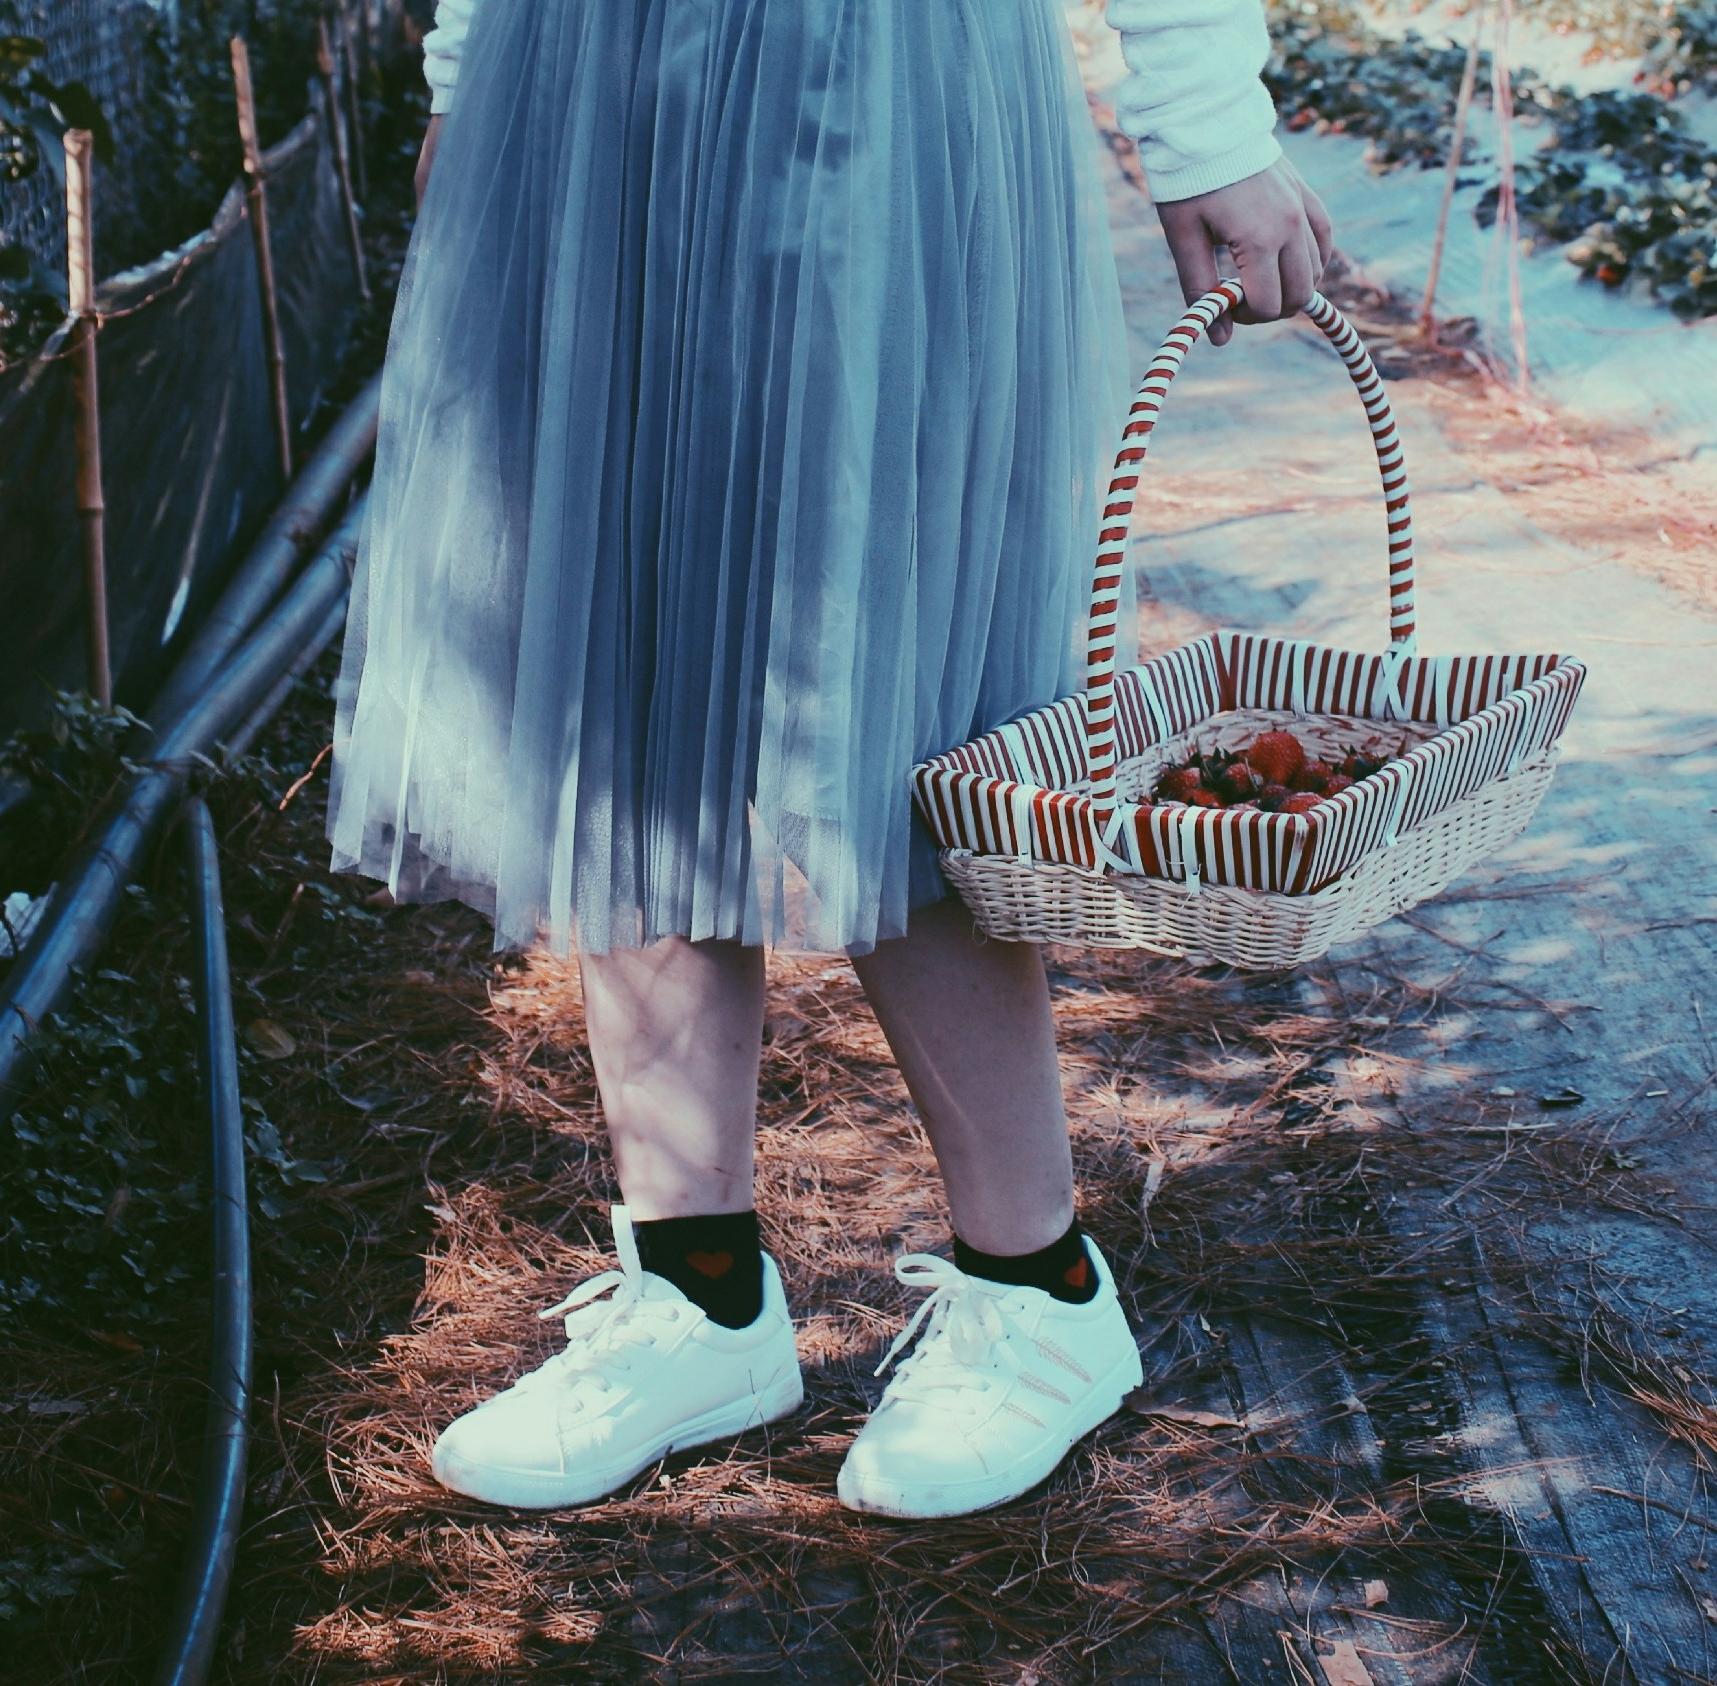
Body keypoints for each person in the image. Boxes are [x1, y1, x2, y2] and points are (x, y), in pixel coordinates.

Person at [329, 0, 1334, 1519]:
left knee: (909, 675)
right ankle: (700, 1295)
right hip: (595, 73)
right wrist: (476, 68)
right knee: (627, 650)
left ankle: (1038, 1291)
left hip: (886, 77)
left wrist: (1210, 125)